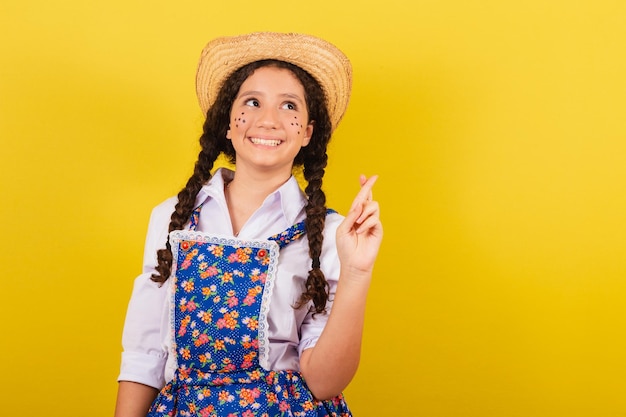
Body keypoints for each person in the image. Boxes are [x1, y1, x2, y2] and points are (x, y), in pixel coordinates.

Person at [114, 32, 383, 417]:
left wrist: (357, 271)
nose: (268, 119)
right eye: (252, 102)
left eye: (289, 106)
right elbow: (145, 355)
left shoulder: (331, 236)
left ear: (307, 131)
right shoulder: (172, 217)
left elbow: (324, 383)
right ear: (227, 123)